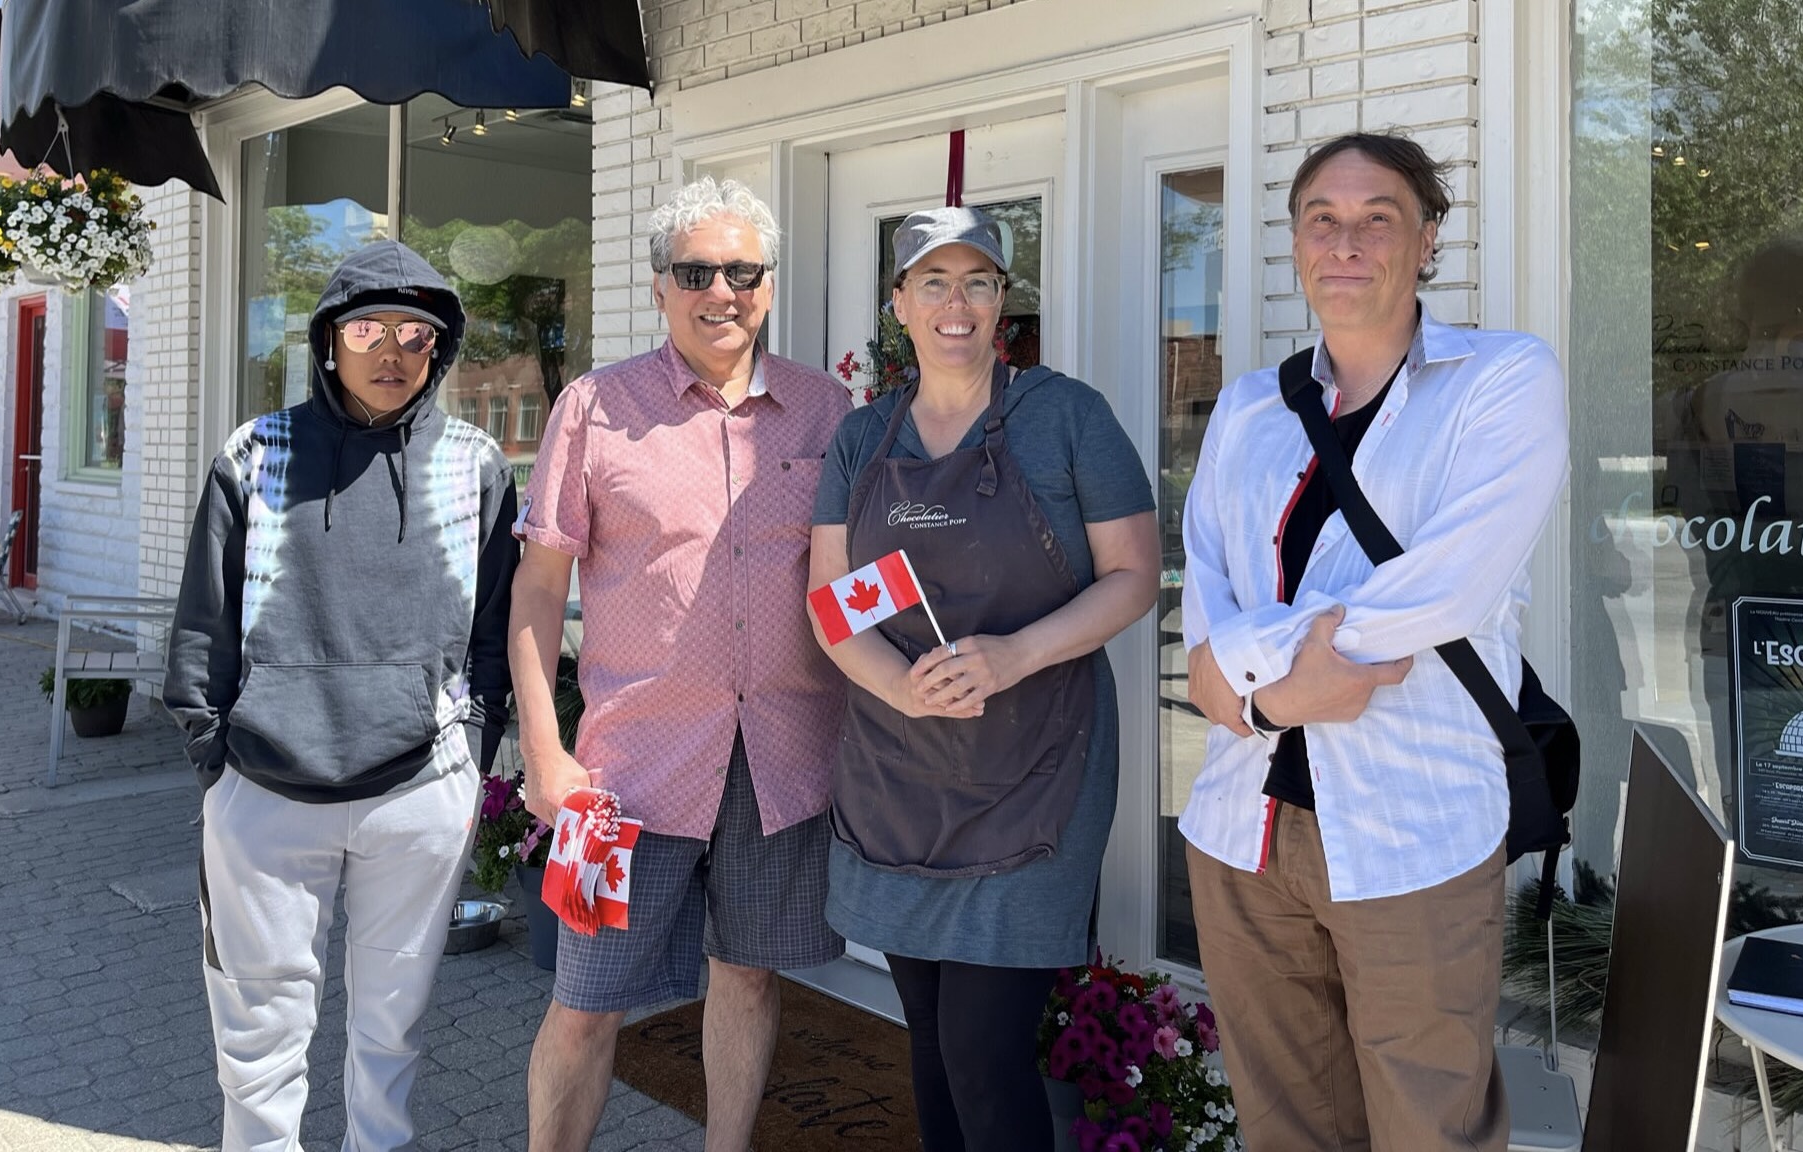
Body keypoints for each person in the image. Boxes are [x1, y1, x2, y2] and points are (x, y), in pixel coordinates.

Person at [1178, 132, 1568, 1151]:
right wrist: (1266, 693)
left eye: (1377, 219)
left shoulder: (1502, 380)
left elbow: (1449, 587)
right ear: (1297, 245)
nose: (1345, 242)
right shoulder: (1249, 407)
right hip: (1242, 833)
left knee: (1426, 1128)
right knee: (1285, 1127)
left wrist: (1253, 677)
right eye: (1323, 220)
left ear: (1428, 240)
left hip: (1414, 834)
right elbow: (1204, 593)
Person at [510, 177, 851, 1152]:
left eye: (743, 272)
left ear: (769, 285)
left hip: (782, 766)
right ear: (661, 284)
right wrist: (544, 751)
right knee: (582, 1001)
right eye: (697, 270)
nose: (722, 291)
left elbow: (864, 571)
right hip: (617, 783)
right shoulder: (595, 409)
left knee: (749, 974)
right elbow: (537, 592)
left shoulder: (826, 412)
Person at [809, 207, 1159, 1152]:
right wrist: (902, 686)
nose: (954, 304)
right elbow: (832, 604)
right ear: (899, 303)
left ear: (1003, 299)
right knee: (927, 1035)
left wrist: (1015, 655)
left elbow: (1135, 576)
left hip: (1037, 775)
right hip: (898, 775)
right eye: (932, 282)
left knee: (981, 1047)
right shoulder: (862, 439)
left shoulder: (1067, 417)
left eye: (976, 282)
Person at [164, 239, 519, 1151]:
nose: (392, 351)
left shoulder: (476, 465)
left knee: (391, 1034)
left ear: (438, 348)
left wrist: (467, 758)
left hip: (416, 794)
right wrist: (220, 759)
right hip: (266, 792)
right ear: (330, 341)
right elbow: (204, 622)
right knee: (258, 1038)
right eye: (369, 329)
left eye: (415, 332)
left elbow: (495, 635)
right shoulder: (258, 452)